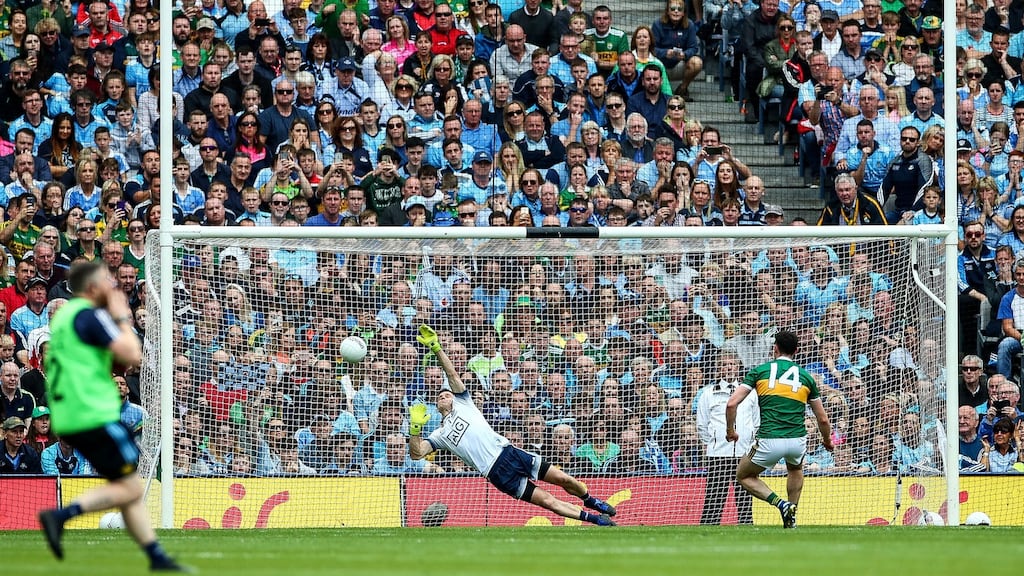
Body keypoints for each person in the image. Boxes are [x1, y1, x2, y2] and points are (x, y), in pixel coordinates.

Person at [38, 260, 187, 571]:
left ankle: (156, 557)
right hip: (92, 412)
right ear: (93, 288)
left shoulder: (65, 318)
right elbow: (133, 354)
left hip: (68, 413)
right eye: (107, 280)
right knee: (132, 486)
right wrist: (121, 315)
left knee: (127, 485)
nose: (113, 284)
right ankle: (62, 515)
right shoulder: (91, 315)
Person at [407, 325, 618, 526]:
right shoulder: (440, 434)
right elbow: (417, 453)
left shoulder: (464, 403)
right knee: (547, 501)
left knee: (563, 478)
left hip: (509, 453)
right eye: (440, 395)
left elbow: (452, 374)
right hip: (496, 473)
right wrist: (414, 430)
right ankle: (595, 519)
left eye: (447, 393)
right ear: (436, 404)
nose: (444, 395)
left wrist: (437, 348)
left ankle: (590, 499)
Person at [725, 329, 833, 529]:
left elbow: (732, 403)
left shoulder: (760, 371)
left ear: (774, 348)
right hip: (797, 440)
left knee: (743, 476)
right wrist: (827, 440)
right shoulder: (806, 377)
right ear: (797, 351)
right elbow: (823, 419)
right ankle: (792, 515)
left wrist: (731, 431)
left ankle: (781, 504)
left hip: (769, 439)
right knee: (796, 468)